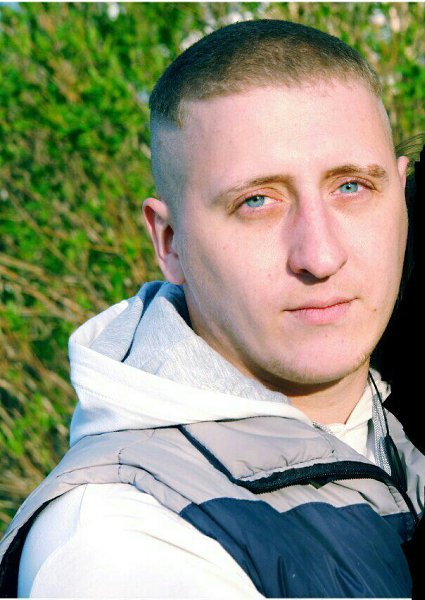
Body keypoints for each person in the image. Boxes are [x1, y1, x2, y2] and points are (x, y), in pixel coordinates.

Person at [0, 18, 424, 599]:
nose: (320, 256)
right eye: (257, 201)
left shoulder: (392, 427)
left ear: (401, 197)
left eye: (351, 186)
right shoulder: (119, 546)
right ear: (170, 242)